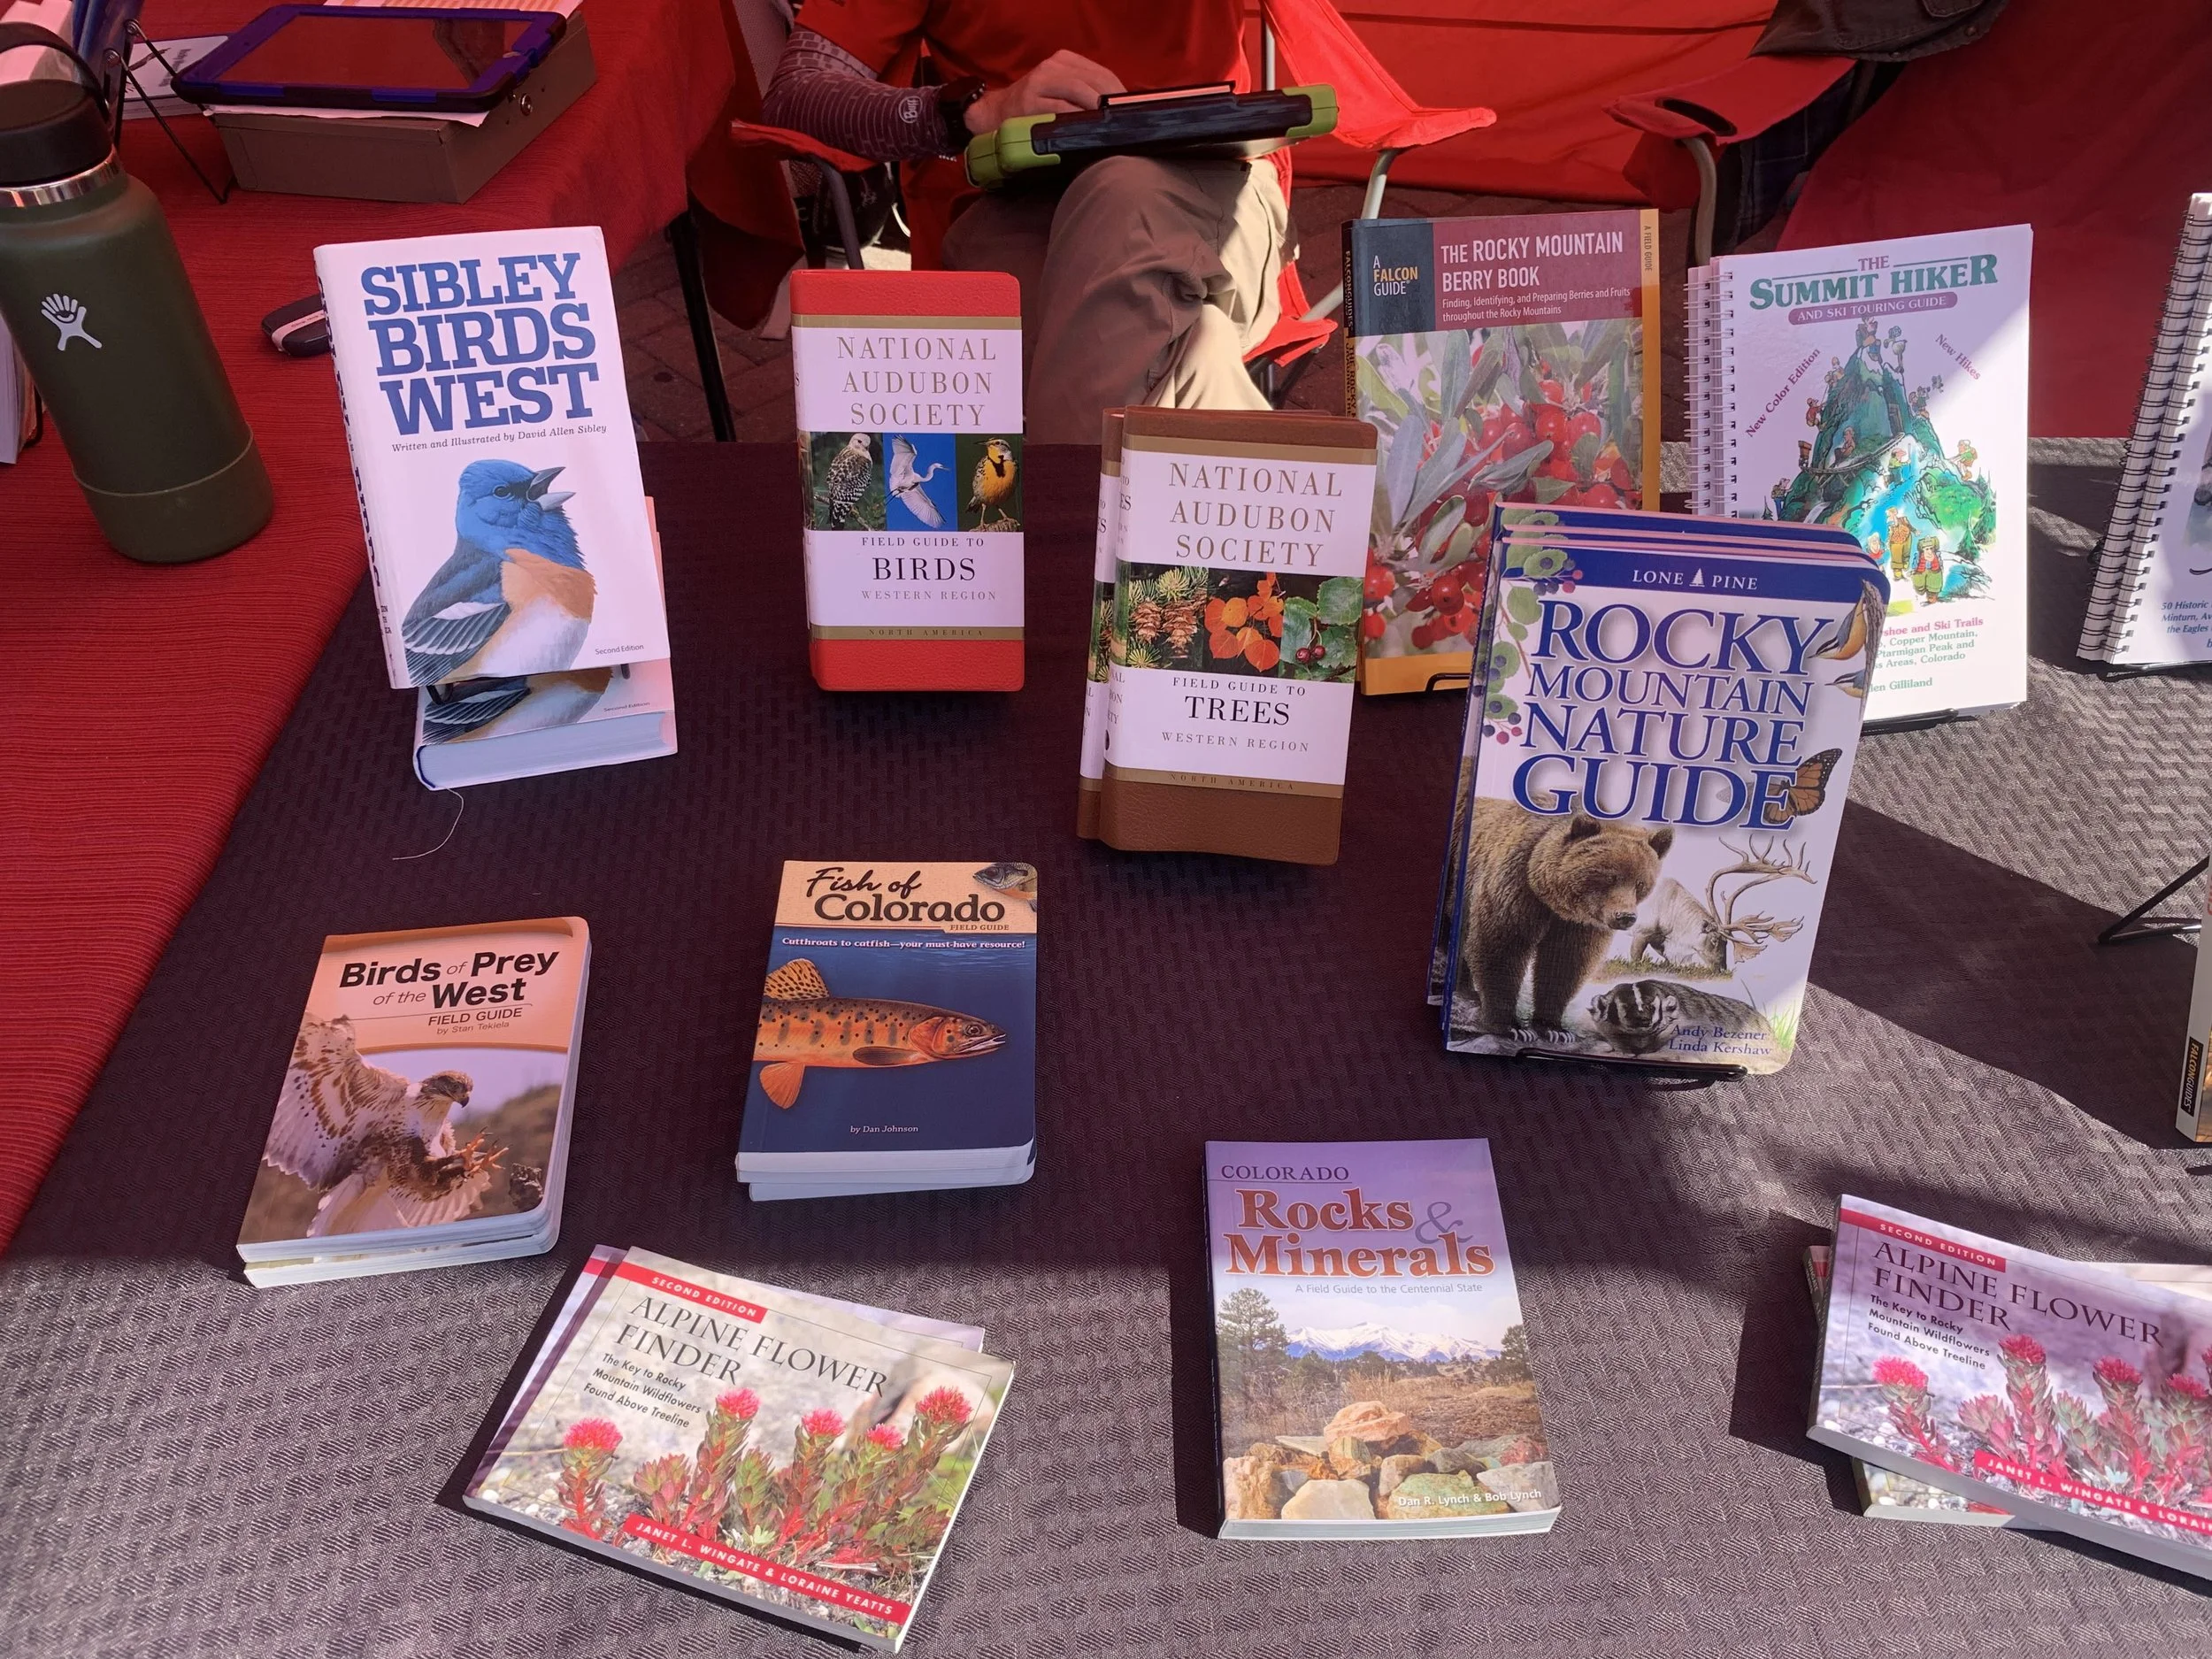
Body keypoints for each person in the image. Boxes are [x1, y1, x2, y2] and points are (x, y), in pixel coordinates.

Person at [760, 2, 1288, 442]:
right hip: (1016, 209)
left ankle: (1059, 543)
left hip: (1217, 179)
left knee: (1121, 200)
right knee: (1184, 342)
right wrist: (974, 113)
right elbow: (795, 95)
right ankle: (1264, 520)